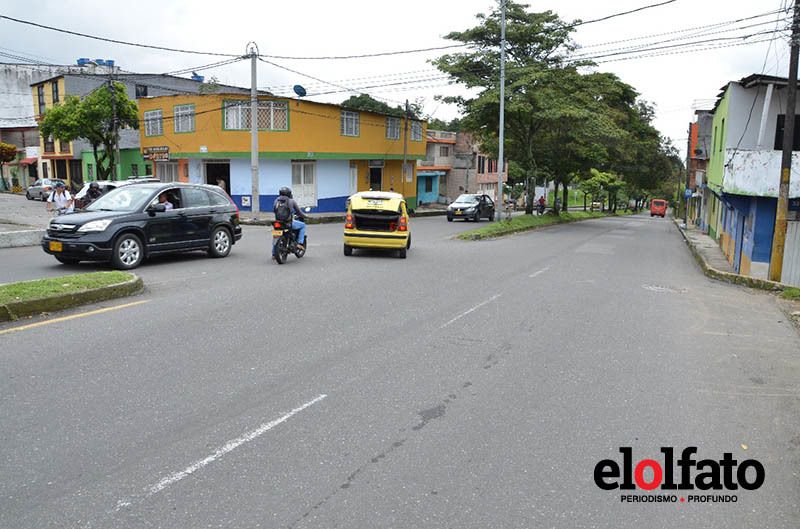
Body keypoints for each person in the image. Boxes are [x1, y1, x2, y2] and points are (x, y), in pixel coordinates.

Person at [273, 186, 307, 253]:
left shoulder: (276, 201)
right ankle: (300, 243)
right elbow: (299, 212)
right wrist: (306, 216)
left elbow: (274, 210)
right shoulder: (291, 201)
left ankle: (274, 253)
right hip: (288, 223)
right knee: (303, 225)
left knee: (276, 235)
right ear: (289, 194)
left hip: (278, 222)